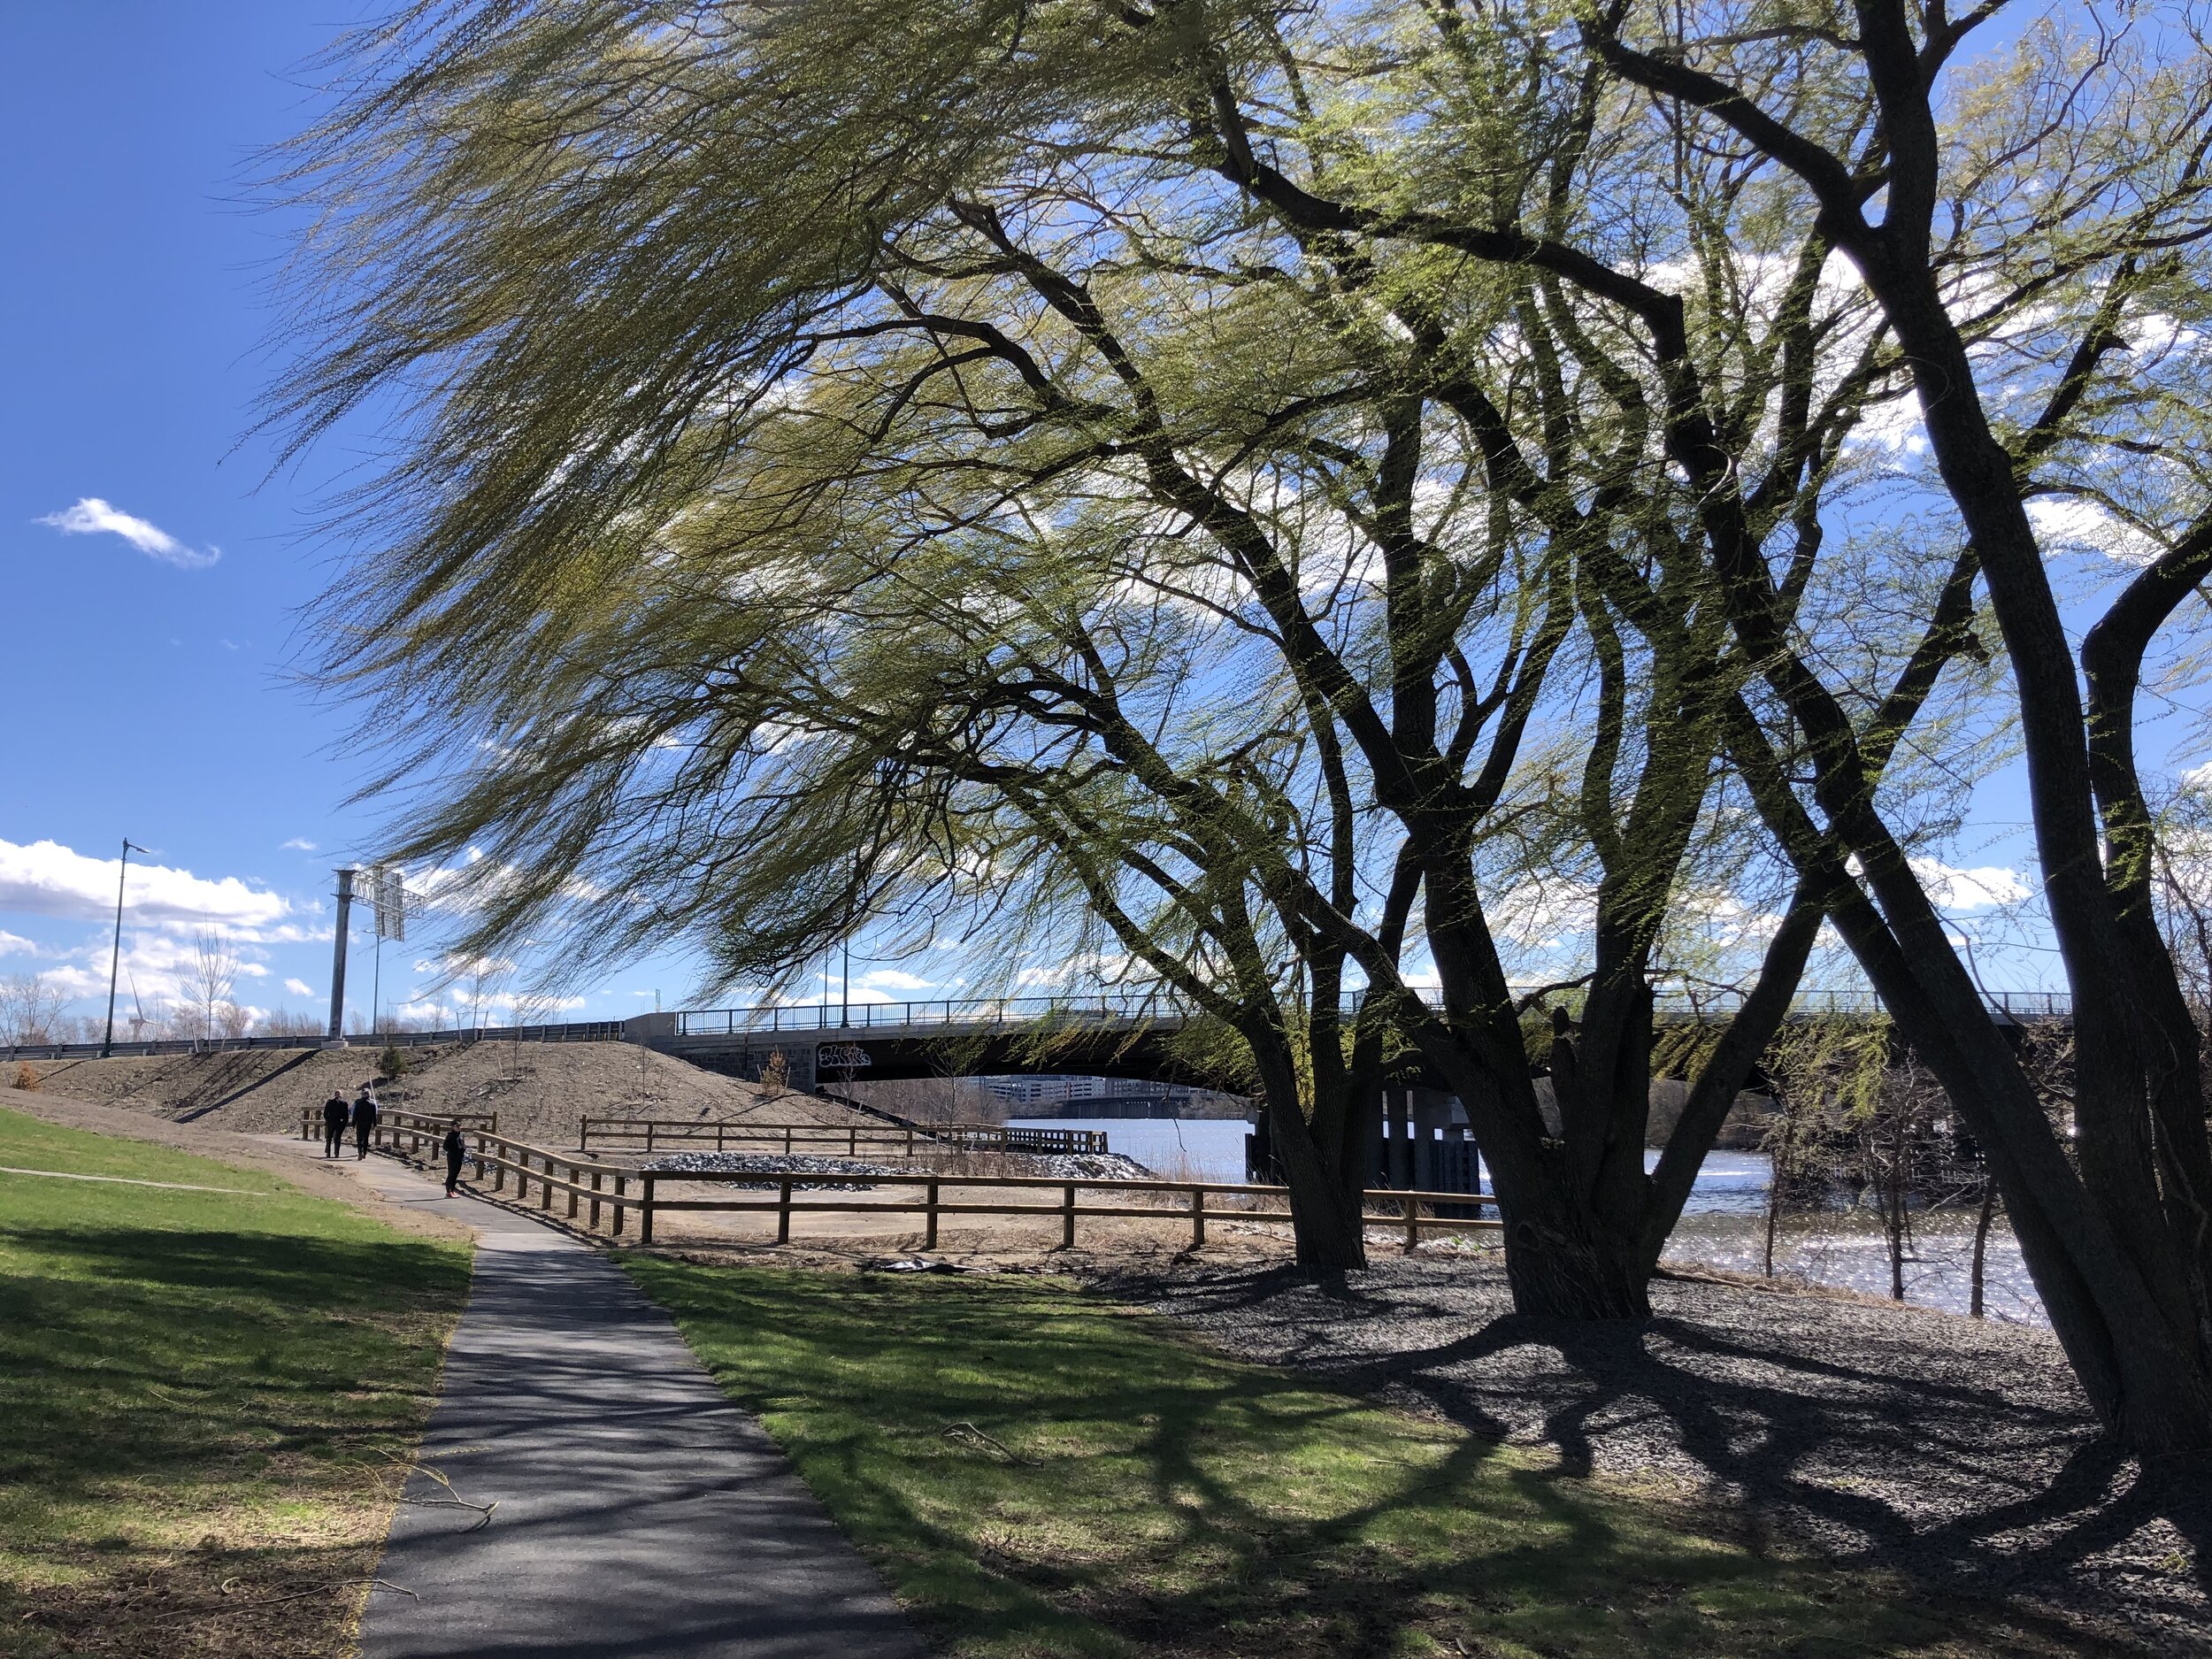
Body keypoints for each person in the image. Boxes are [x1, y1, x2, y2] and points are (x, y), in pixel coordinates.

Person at [351, 1087, 380, 1160]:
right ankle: (364, 1152)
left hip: (360, 1122)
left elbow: (355, 1114)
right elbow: (374, 1115)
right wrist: (375, 1124)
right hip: (368, 1123)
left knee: (359, 1138)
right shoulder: (372, 1104)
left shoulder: (358, 1103)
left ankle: (360, 1152)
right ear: (369, 1095)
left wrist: (353, 1123)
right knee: (366, 1137)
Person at [321, 1092, 349, 1159]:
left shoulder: (329, 1102)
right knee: (338, 1138)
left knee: (329, 1137)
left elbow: (325, 1113)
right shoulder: (344, 1103)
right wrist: (344, 1123)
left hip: (331, 1122)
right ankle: (337, 1153)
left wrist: (328, 1120)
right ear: (341, 1095)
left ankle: (328, 1152)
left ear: (335, 1095)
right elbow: (346, 1115)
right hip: (339, 1122)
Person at [442, 1124, 467, 1195]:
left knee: (456, 1173)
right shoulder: (450, 1135)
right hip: (452, 1156)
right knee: (451, 1173)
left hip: (459, 1156)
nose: (459, 1127)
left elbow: (462, 1144)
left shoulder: (462, 1135)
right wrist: (453, 1150)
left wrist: (463, 1149)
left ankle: (452, 1190)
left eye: (460, 1126)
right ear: (453, 1127)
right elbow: (445, 1147)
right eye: (457, 1126)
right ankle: (448, 1191)